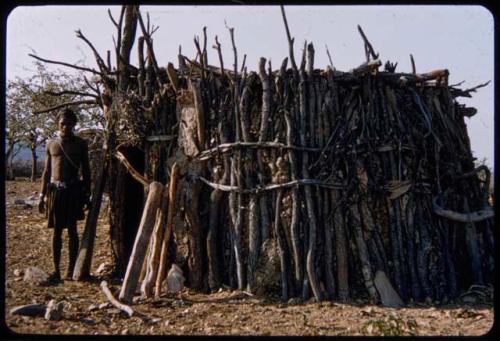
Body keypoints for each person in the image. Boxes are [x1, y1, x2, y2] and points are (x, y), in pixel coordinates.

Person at [39, 108, 91, 283]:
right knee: (56, 232)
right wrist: (42, 195)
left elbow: (86, 171)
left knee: (73, 231)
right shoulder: (51, 144)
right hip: (55, 191)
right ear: (58, 124)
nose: (66, 126)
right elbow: (46, 172)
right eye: (63, 123)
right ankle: (56, 270)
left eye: (69, 123)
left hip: (73, 191)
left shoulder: (81, 144)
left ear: (74, 124)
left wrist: (86, 194)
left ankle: (71, 270)